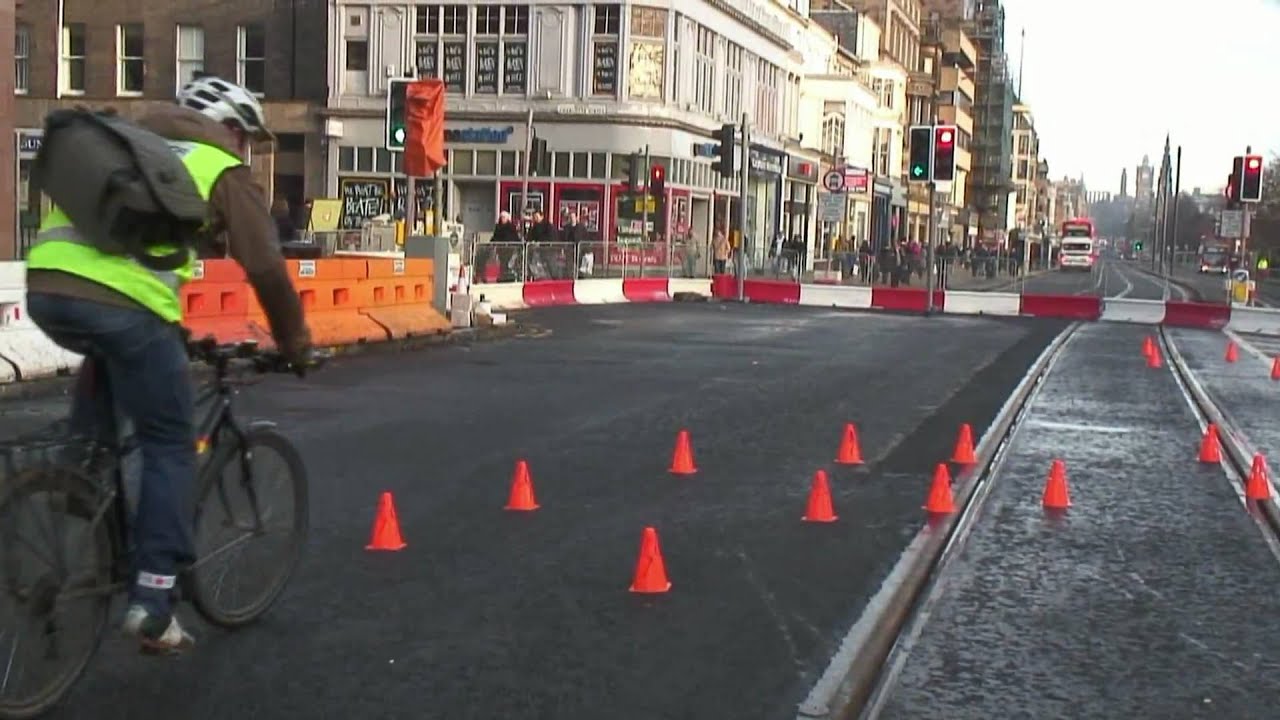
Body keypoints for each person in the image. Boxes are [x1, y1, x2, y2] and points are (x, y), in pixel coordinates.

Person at [24, 75, 313, 654]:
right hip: (125, 307)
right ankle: (154, 601)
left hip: (45, 286)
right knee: (169, 444)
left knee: (111, 379)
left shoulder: (125, 140)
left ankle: (75, 500)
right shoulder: (219, 167)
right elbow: (266, 269)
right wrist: (295, 344)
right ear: (230, 128)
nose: (246, 150)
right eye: (247, 138)